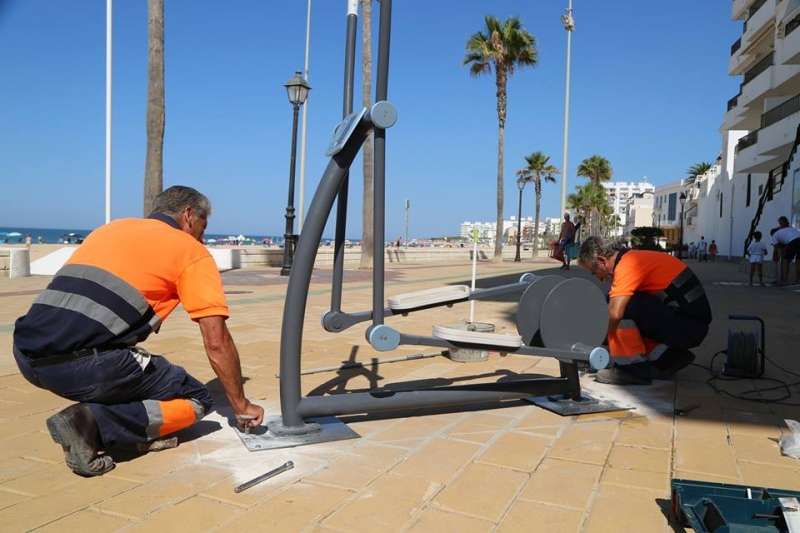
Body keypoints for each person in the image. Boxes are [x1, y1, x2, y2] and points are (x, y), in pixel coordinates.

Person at [12, 186, 263, 477]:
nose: (202, 238)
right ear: (188, 215)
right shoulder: (190, 250)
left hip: (26, 354)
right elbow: (216, 341)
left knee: (134, 368)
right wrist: (241, 405)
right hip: (82, 367)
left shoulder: (110, 230)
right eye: (202, 228)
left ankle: (114, 423)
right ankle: (90, 423)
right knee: (197, 398)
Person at [578, 237, 712, 385]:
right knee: (622, 304)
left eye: (594, 272)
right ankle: (668, 357)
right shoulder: (633, 258)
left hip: (689, 327)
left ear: (602, 261)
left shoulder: (627, 266)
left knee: (620, 307)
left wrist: (598, 341)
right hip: (691, 324)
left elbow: (615, 314)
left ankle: (632, 369)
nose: (598, 278)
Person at [770, 216, 800, 285]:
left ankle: (784, 280)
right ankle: (797, 280)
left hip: (793, 241)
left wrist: (781, 257)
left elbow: (778, 250)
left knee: (785, 261)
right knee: (798, 260)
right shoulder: (789, 229)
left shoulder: (774, 235)